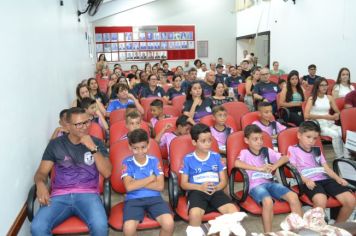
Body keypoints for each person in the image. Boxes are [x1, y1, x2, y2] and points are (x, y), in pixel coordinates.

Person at [31, 108, 112, 236]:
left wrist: (92, 148)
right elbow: (41, 173)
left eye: (87, 122)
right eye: (79, 124)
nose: (84, 127)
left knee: (101, 226)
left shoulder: (97, 143)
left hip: (88, 195)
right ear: (67, 125)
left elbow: (107, 172)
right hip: (59, 196)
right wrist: (40, 184)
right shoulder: (55, 145)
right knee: (37, 227)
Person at [235, 124, 302, 233]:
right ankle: (268, 233)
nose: (259, 142)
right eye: (255, 139)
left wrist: (274, 166)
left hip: (270, 183)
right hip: (255, 185)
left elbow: (285, 157)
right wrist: (258, 168)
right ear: (246, 141)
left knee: (293, 197)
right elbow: (237, 163)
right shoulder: (244, 153)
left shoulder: (266, 151)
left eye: (261, 138)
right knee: (268, 201)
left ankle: (297, 231)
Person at [288, 121, 355, 223]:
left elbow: (326, 169)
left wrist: (338, 178)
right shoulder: (293, 150)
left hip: (325, 178)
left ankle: (337, 227)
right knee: (320, 200)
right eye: (308, 137)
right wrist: (305, 180)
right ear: (299, 135)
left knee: (350, 201)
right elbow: (293, 171)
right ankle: (315, 229)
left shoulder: (317, 150)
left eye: (315, 138)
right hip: (309, 180)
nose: (311, 141)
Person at [180, 124, 238, 235]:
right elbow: (183, 184)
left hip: (216, 191)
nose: (208, 143)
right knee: (195, 214)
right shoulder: (188, 159)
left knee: (233, 212)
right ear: (194, 142)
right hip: (197, 191)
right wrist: (200, 187)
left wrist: (218, 187)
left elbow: (223, 181)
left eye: (209, 140)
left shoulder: (216, 157)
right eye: (203, 141)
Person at [122, 129, 174, 236]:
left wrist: (136, 182)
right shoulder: (126, 162)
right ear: (129, 147)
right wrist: (150, 178)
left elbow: (160, 186)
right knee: (128, 228)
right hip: (133, 199)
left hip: (154, 198)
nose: (140, 151)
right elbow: (129, 187)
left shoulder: (154, 160)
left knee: (169, 223)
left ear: (148, 145)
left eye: (143, 147)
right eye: (135, 148)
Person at [304, 78, 345, 158]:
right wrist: (324, 116)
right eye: (322, 85)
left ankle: (346, 156)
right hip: (317, 124)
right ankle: (340, 157)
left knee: (342, 132)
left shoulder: (329, 97)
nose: (324, 87)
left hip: (329, 122)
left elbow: (338, 112)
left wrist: (336, 115)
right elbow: (306, 115)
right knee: (335, 135)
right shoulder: (312, 98)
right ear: (317, 87)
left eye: (326, 85)